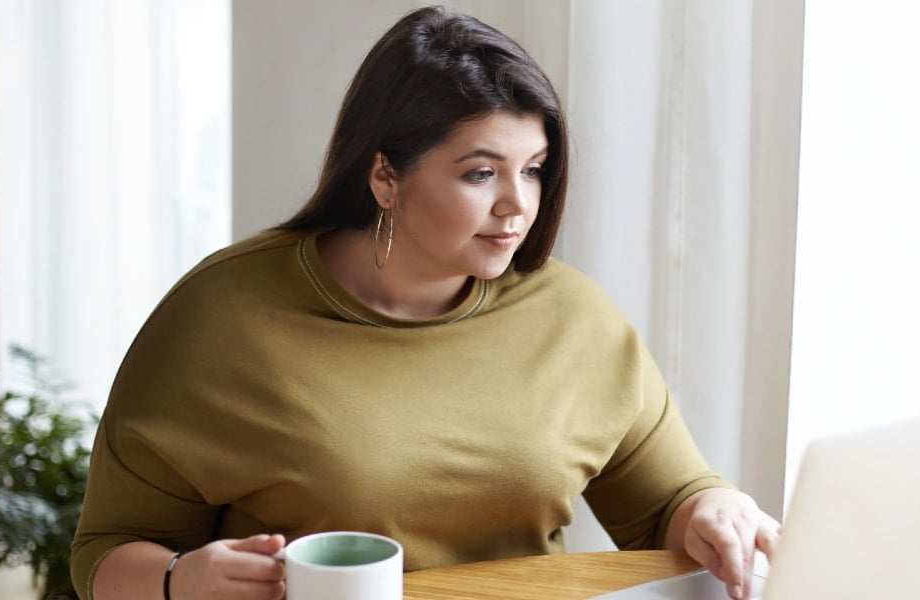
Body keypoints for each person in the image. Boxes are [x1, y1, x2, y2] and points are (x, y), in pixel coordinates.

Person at [70, 6, 779, 600]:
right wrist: (175, 580)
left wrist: (714, 509)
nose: (518, 206)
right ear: (384, 175)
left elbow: (669, 506)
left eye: (533, 170)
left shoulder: (570, 317)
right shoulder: (219, 318)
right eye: (480, 173)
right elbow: (103, 552)